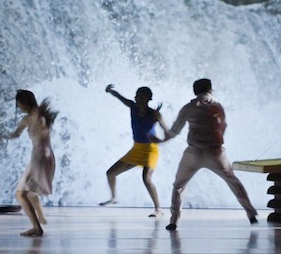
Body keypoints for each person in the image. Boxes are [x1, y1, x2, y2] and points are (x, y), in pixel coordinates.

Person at [151, 78, 258, 230]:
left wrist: (161, 139)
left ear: (195, 91)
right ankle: (251, 213)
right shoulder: (218, 106)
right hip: (216, 153)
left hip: (193, 152)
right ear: (210, 89)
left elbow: (174, 131)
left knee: (179, 185)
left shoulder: (188, 107)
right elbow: (223, 127)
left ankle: (174, 220)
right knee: (233, 181)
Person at [99, 84, 170, 217]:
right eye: (136, 95)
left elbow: (168, 132)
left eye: (139, 96)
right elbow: (119, 97)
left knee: (146, 179)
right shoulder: (133, 106)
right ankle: (113, 198)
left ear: (147, 98)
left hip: (150, 150)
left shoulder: (155, 114)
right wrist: (110, 91)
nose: (136, 98)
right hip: (136, 148)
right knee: (110, 173)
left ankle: (158, 209)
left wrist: (160, 140)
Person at [6, 89, 57, 236]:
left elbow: (17, 133)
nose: (18, 107)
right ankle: (41, 218)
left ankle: (37, 227)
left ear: (23, 103)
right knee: (31, 192)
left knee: (21, 194)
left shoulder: (33, 117)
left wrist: (5, 136)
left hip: (40, 157)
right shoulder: (37, 115)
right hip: (45, 155)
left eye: (18, 104)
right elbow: (17, 133)